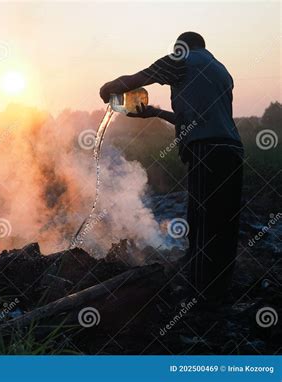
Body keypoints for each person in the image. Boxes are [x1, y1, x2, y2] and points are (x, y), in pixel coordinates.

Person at [100, 32, 244, 303]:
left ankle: (200, 297)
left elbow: (137, 79)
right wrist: (155, 112)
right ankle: (218, 292)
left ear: (181, 47)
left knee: (202, 224)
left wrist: (108, 89)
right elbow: (190, 116)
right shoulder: (220, 71)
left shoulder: (181, 60)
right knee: (223, 224)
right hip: (232, 151)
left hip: (206, 150)